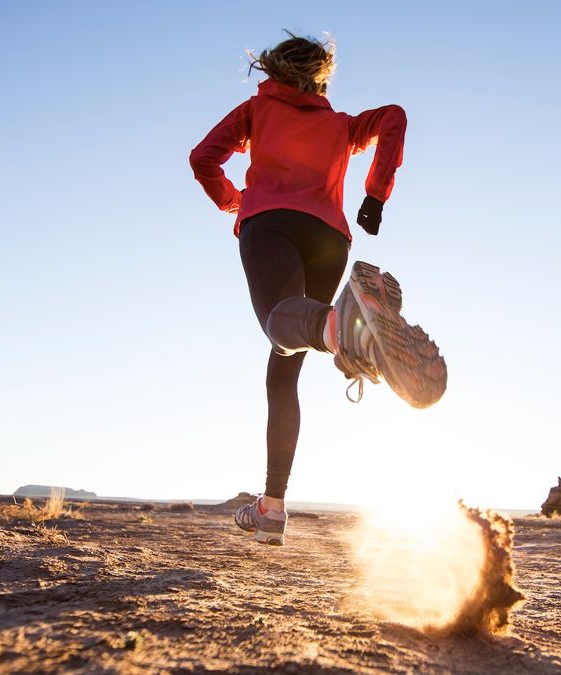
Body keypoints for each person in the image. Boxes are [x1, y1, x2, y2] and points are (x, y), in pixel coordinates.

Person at [189, 33, 447, 546]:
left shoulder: (256, 112)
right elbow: (393, 116)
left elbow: (203, 158)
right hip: (330, 237)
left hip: (271, 224)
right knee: (284, 367)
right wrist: (375, 195)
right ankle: (271, 508)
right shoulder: (339, 125)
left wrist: (235, 202)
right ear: (320, 74)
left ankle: (346, 331)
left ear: (274, 70)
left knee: (281, 327)